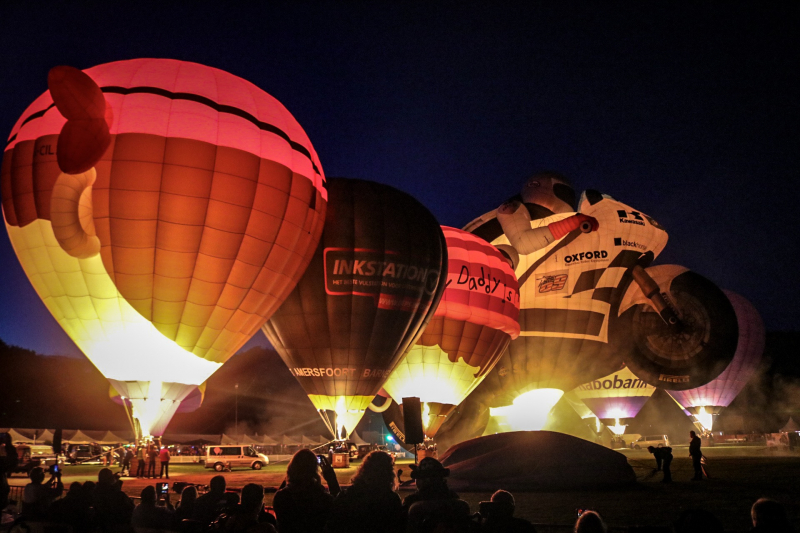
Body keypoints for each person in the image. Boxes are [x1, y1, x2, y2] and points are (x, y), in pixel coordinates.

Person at [326, 451, 403, 533]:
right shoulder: (391, 500)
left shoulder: (348, 495)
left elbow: (334, 522)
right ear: (389, 473)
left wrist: (332, 482)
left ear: (364, 469)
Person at [272, 449, 339, 533]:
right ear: (314, 470)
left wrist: (291, 474)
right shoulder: (323, 499)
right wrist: (331, 479)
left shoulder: (281, 498)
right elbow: (339, 507)